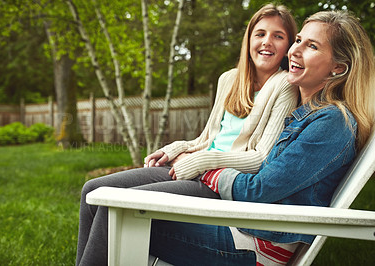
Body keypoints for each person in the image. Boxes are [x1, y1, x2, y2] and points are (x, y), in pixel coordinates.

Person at [76, 4, 298, 265]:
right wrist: (174, 149)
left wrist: (202, 162)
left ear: (288, 46)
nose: (267, 42)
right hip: (195, 168)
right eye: (260, 34)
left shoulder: (285, 85)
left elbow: (261, 158)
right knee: (93, 189)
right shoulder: (229, 79)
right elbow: (206, 139)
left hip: (219, 183)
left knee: (118, 204)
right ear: (248, 39)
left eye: (278, 36)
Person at [150, 10, 375, 265]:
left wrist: (200, 165)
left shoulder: (332, 123)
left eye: (311, 46)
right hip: (241, 224)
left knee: (121, 215)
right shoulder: (304, 115)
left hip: (258, 246)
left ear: (338, 67)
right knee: (111, 207)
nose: (295, 51)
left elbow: (257, 190)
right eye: (299, 40)